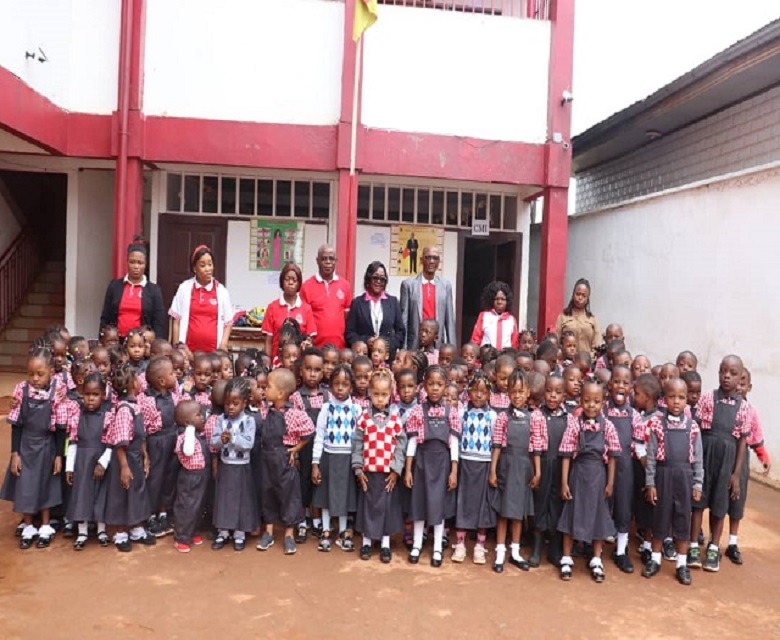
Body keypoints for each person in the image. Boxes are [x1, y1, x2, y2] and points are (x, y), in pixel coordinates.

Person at [689, 355, 751, 573]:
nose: (726, 376)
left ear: (740, 377)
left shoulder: (743, 407)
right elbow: (695, 429)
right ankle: (694, 545)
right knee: (698, 502)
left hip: (727, 460)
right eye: (723, 371)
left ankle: (714, 547)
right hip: (705, 455)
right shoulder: (708, 398)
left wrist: (735, 474)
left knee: (719, 505)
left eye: (733, 373)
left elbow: (742, 441)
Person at [1, 347, 66, 549]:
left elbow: (60, 429)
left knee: (46, 484)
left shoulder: (57, 391)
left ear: (51, 372)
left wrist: (58, 455)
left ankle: (45, 525)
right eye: (31, 374)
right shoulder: (21, 390)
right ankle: (28, 525)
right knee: (26, 486)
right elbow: (17, 425)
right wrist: (15, 454)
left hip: (46, 445)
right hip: (26, 447)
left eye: (40, 374)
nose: (35, 378)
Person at [557, 378, 621, 582]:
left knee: (598, 516)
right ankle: (566, 557)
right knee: (571, 514)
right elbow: (566, 454)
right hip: (578, 474)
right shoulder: (575, 424)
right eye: (587, 400)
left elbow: (612, 457)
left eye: (596, 401)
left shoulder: (608, 426)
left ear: (603, 402)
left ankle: (596, 558)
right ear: (580, 401)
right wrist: (564, 482)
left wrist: (610, 483)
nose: (591, 405)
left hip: (598, 477)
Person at [643, 378, 704, 586]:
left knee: (682, 521)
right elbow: (650, 457)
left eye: (681, 397)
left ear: (687, 400)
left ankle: (681, 564)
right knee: (660, 518)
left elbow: (698, 458)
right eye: (672, 397)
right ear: (663, 400)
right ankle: (655, 559)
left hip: (684, 478)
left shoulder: (693, 427)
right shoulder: (657, 425)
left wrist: (697, 484)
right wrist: (650, 483)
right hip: (663, 475)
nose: (676, 402)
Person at [404, 366, 461, 568]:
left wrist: (454, 470)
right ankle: (417, 545)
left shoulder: (451, 412)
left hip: (442, 463)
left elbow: (454, 444)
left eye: (439, 384)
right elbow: (411, 443)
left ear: (445, 387)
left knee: (438, 505)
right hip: (422, 462)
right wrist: (409, 469)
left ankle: (437, 546)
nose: (435, 388)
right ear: (424, 386)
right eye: (431, 384)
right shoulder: (418, 411)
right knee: (419, 504)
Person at [95, 365, 156, 552]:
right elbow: (119, 443)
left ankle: (136, 528)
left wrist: (145, 456)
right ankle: (121, 533)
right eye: (138, 378)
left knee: (136, 493)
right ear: (132, 384)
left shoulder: (135, 405)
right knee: (122, 495)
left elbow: (141, 436)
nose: (141, 381)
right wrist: (124, 467)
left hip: (136, 456)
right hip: (125, 459)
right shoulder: (123, 410)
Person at [256, 369, 316, 555]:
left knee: (289, 495)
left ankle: (289, 534)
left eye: (269, 387)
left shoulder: (294, 414)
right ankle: (269, 532)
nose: (265, 390)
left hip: (284, 458)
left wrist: (297, 448)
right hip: (266, 458)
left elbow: (309, 430)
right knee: (268, 493)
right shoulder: (265, 409)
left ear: (281, 393)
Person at [352, 368, 407, 563]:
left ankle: (385, 544)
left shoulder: (394, 418)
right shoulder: (364, 418)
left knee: (387, 508)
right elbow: (357, 443)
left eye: (384, 394)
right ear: (369, 393)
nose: (380, 399)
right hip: (369, 473)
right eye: (376, 394)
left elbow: (401, 444)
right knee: (369, 507)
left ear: (391, 394)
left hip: (387, 474)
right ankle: (367, 542)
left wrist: (396, 469)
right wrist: (358, 468)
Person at [492, 370, 541, 573]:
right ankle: (500, 552)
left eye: (521, 391)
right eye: (514, 392)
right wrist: (493, 471)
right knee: (504, 511)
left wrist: (537, 472)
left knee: (518, 513)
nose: (518, 396)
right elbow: (496, 445)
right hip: (506, 465)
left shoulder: (534, 418)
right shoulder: (503, 417)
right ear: (508, 394)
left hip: (524, 468)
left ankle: (515, 551)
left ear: (528, 392)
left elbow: (535, 447)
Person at [602, 364, 645, 574]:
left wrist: (650, 473)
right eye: (616, 381)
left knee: (623, 506)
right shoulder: (601, 410)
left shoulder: (634, 416)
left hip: (625, 466)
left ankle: (620, 551)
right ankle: (594, 549)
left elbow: (639, 447)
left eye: (625, 383)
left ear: (631, 388)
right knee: (600, 503)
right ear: (609, 385)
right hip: (601, 465)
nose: (620, 386)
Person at [725, 369, 771, 565]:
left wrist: (764, 457)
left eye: (743, 384)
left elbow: (756, 439)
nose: (738, 387)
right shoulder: (723, 406)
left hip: (740, 462)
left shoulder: (751, 412)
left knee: (737, 500)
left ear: (749, 388)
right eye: (737, 382)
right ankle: (712, 541)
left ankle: (732, 543)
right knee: (716, 499)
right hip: (722, 459)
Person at [452, 370, 497, 566]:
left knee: (482, 505)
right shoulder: (463, 413)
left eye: (483, 392)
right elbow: (456, 438)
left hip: (484, 464)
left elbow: (496, 443)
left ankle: (480, 545)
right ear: (468, 391)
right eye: (475, 391)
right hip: (466, 464)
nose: (479, 395)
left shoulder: (492, 416)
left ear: (489, 395)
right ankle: (460, 544)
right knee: (464, 503)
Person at [210, 377, 257, 552]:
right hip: (226, 466)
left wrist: (233, 438)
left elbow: (248, 444)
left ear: (244, 403)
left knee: (241, 501)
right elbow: (213, 442)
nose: (230, 407)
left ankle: (239, 534)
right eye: (227, 403)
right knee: (224, 500)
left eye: (235, 403)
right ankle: (223, 532)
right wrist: (220, 441)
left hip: (242, 467)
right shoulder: (221, 420)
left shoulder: (249, 421)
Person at [64, 372, 109, 550]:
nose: (90, 399)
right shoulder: (77, 416)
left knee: (100, 495)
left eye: (95, 394)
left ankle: (101, 530)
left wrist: (103, 463)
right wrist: (70, 467)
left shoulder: (108, 416)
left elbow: (111, 444)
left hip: (99, 462)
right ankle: (82, 531)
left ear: (103, 396)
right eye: (87, 394)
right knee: (82, 494)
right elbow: (73, 443)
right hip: (82, 462)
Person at [169, 245, 234, 353]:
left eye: (210, 264)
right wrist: (177, 348)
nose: (208, 269)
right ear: (195, 268)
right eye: (203, 265)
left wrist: (223, 344)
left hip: (213, 355)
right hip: (187, 353)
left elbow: (228, 322)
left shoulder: (222, 291)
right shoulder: (184, 288)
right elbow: (176, 321)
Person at [99, 239, 166, 339]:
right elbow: (105, 318)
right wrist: (102, 339)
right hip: (116, 344)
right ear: (126, 262)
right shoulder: (114, 286)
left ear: (145, 264)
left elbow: (159, 323)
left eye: (140, 263)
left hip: (141, 346)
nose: (136, 266)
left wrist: (155, 346)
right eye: (132, 262)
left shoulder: (154, 290)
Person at [399, 245, 456, 351]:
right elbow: (404, 320)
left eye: (435, 258)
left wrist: (452, 349)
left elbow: (449, 322)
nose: (431, 261)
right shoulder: (408, 285)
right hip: (415, 344)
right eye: (428, 257)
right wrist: (404, 348)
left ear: (439, 262)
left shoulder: (446, 286)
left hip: (437, 344)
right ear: (421, 260)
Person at [172, 399, 210, 553]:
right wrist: (189, 430)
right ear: (188, 422)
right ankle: (181, 537)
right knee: (186, 506)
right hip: (189, 477)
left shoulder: (199, 435)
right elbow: (187, 451)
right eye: (198, 415)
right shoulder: (184, 438)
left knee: (198, 505)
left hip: (202, 475)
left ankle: (193, 532)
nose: (202, 417)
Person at [345, 261, 405, 356]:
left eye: (382, 279)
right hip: (364, 358)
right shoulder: (357, 303)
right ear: (368, 279)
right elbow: (350, 333)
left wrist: (385, 344)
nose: (378, 281)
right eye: (375, 278)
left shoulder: (393, 302)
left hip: (386, 358)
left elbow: (400, 332)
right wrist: (366, 341)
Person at [300, 245, 352, 350]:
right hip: (315, 350)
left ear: (336, 261)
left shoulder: (345, 285)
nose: (328, 262)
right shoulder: (307, 286)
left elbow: (347, 318)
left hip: (339, 349)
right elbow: (304, 321)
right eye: (324, 259)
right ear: (317, 261)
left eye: (331, 259)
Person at [262, 262, 318, 359]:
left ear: (299, 283)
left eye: (294, 280)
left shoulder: (306, 309)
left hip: (298, 362)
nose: (290, 283)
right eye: (287, 279)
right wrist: (267, 365)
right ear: (281, 282)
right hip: (277, 362)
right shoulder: (272, 307)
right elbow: (268, 341)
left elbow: (310, 340)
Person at [555, 279, 603, 356]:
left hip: (587, 363)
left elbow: (596, 346)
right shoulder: (563, 316)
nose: (580, 298)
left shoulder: (592, 319)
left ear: (587, 299)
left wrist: (589, 357)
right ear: (573, 295)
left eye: (583, 295)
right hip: (567, 362)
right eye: (578, 294)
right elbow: (556, 341)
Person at [470, 281, 519, 350]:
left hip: (505, 358)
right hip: (487, 358)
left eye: (503, 299)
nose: (499, 302)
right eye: (496, 299)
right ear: (491, 300)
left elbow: (514, 344)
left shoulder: (511, 320)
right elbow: (475, 340)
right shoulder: (484, 316)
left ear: (507, 301)